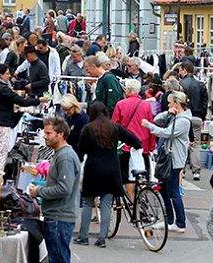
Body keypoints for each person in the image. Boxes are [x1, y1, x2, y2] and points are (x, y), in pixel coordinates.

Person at [75, 102, 141, 248]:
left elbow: (81, 150)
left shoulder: (88, 129)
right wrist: (137, 149)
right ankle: (102, 238)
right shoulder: (114, 127)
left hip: (93, 170)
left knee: (87, 203)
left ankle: (83, 237)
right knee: (106, 204)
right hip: (111, 170)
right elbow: (135, 140)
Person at [29, 117, 80, 263]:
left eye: (48, 133)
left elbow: (64, 188)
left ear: (61, 134)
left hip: (59, 218)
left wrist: (38, 191)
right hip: (57, 217)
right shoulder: (61, 154)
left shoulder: (65, 157)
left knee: (58, 258)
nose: (45, 136)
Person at [142, 91, 192, 233]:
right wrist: (168, 113)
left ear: (177, 103)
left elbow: (165, 132)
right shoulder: (177, 117)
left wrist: (148, 126)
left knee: (173, 192)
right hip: (170, 159)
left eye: (170, 102)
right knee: (164, 189)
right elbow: (158, 119)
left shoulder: (183, 121)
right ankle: (170, 220)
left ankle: (180, 222)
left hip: (174, 161)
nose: (168, 104)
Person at [0, 64, 45, 170]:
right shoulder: (2, 88)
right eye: (7, 73)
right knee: (0, 155)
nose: (9, 75)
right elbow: (21, 101)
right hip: (0, 124)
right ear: (0, 75)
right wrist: (39, 100)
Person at [112, 79, 156, 197]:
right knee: (142, 173)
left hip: (126, 146)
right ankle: (142, 197)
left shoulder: (120, 104)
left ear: (128, 90)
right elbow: (150, 127)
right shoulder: (146, 105)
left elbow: (115, 126)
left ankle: (132, 201)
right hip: (143, 145)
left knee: (128, 177)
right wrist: (152, 145)